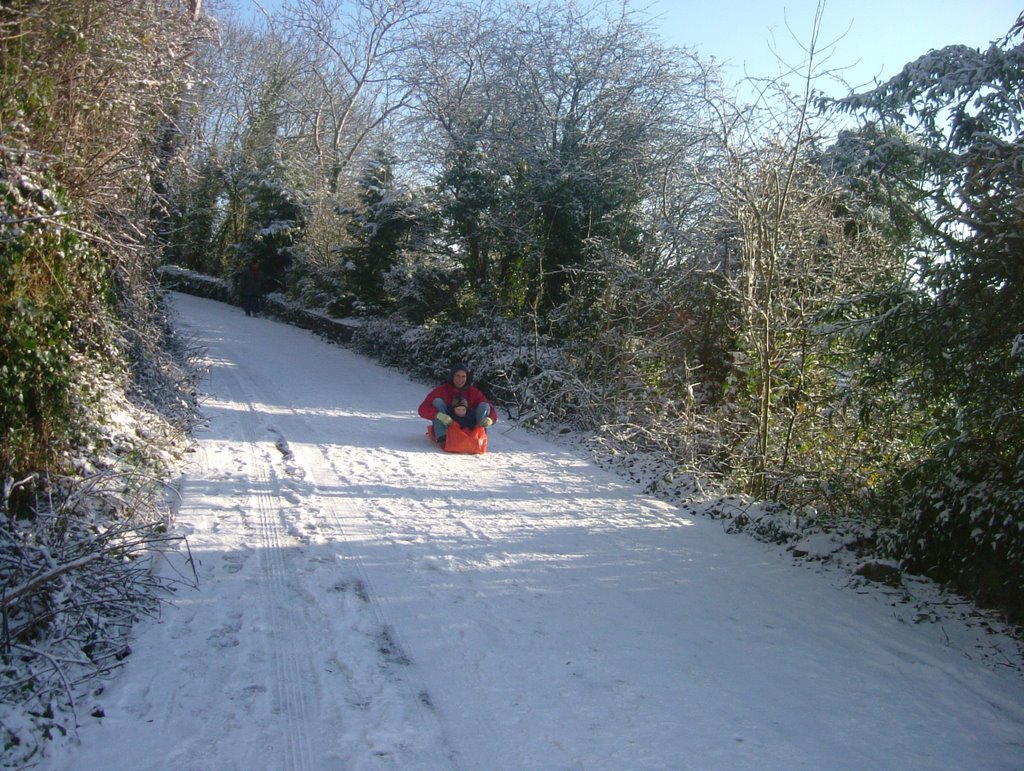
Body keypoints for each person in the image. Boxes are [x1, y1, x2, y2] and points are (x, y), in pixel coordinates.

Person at [418, 363, 497, 445]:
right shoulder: (442, 390)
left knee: (484, 405)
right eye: (457, 376)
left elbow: (490, 407)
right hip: (449, 425)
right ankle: (442, 437)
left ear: (467, 378)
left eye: (463, 377)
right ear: (452, 377)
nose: (460, 379)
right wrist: (438, 415)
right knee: (437, 402)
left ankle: (479, 437)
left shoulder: (473, 392)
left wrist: (491, 419)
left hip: (468, 424)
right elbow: (422, 409)